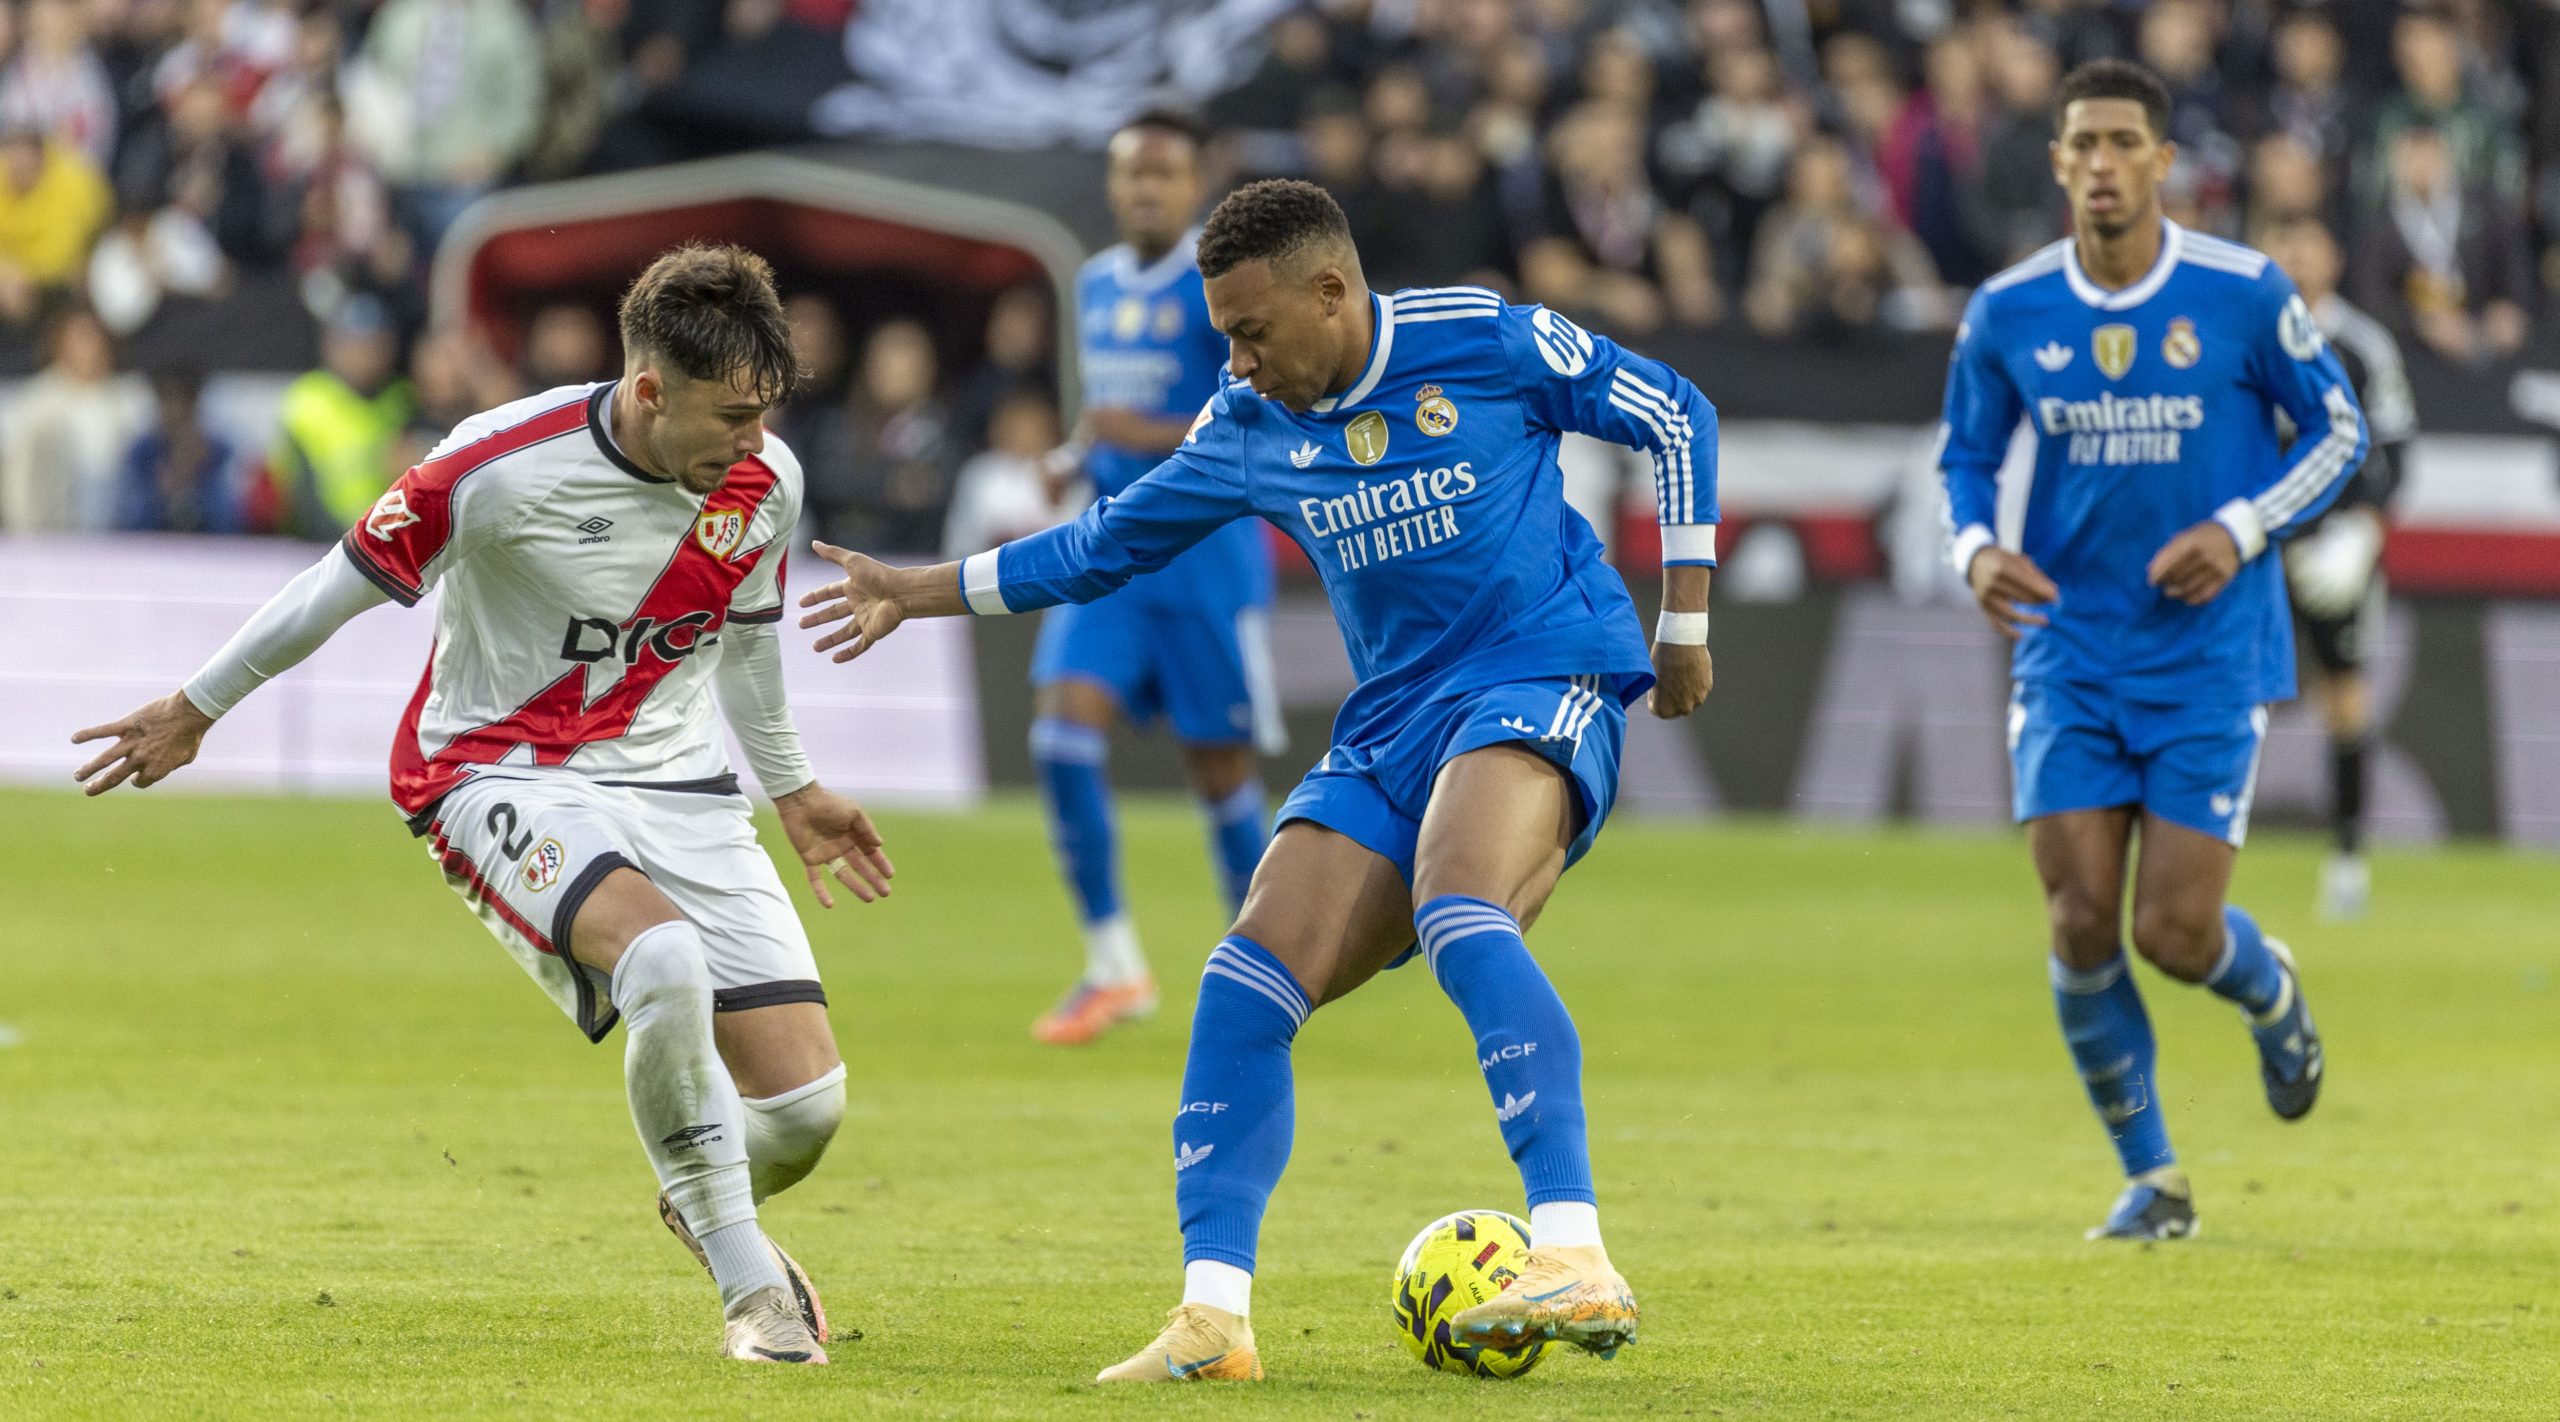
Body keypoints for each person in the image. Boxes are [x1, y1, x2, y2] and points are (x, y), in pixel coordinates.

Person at [799, 177, 1719, 1382]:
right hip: (1392, 718)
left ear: (1331, 292)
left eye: (1248, 328)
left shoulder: (1479, 338)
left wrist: (1685, 616)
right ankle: (1214, 1319)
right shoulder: (1244, 421)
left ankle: (1575, 1250)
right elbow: (1100, 545)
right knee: (1245, 979)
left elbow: (1675, 409)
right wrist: (919, 590)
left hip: (1539, 667)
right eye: (1223, 331)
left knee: (1458, 900)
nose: (1234, 356)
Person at [72, 245, 887, 1366]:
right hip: (497, 770)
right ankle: (756, 1293)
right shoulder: (499, 466)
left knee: (805, 1115)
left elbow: (745, 647)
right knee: (662, 964)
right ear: (650, 389)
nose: (753, 444)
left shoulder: (764, 483)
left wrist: (791, 789)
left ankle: (702, 1198)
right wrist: (198, 705)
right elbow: (335, 583)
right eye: (731, 417)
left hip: (680, 784)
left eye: (764, 417)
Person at [1938, 60, 2362, 1243]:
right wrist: (1974, 546)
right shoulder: (2009, 310)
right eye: (2084, 144)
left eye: (2126, 142)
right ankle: (2154, 1178)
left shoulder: (2240, 291)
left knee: (2171, 935)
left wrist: (2241, 528)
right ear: (2059, 162)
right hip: (2068, 651)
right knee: (2078, 918)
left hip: (2209, 652)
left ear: (2164, 162)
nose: (2104, 163)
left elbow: (2338, 428)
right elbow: (1962, 460)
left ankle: (2264, 987)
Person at [1020, 110, 1281, 1047]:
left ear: (1194, 185)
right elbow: (1105, 419)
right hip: (1110, 556)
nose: (1145, 190)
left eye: (1164, 175)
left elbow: (1262, 417)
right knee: (1059, 736)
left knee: (1220, 773)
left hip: (1207, 562)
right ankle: (1113, 964)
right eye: (1132, 172)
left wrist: (1148, 434)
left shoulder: (1229, 285)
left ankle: (1270, 963)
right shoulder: (1091, 285)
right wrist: (1073, 453)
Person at [2261, 214, 2417, 922]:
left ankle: (2348, 860)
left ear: (2334, 254)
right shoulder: (2245, 332)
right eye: (2283, 241)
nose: (2296, 255)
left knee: (2346, 699)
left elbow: (2397, 450)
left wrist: (2363, 532)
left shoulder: (2362, 344)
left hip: (2334, 546)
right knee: (2223, 691)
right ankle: (2195, 843)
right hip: (2255, 544)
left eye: (2308, 241)